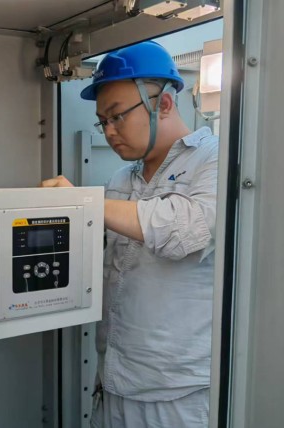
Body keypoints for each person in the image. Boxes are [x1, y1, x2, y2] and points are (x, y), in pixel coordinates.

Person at [41, 41, 218, 428]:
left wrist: (85, 203)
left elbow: (185, 230)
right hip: (114, 382)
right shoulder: (123, 178)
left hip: (177, 396)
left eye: (117, 116)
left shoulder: (215, 160)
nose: (109, 131)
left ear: (164, 104)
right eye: (102, 121)